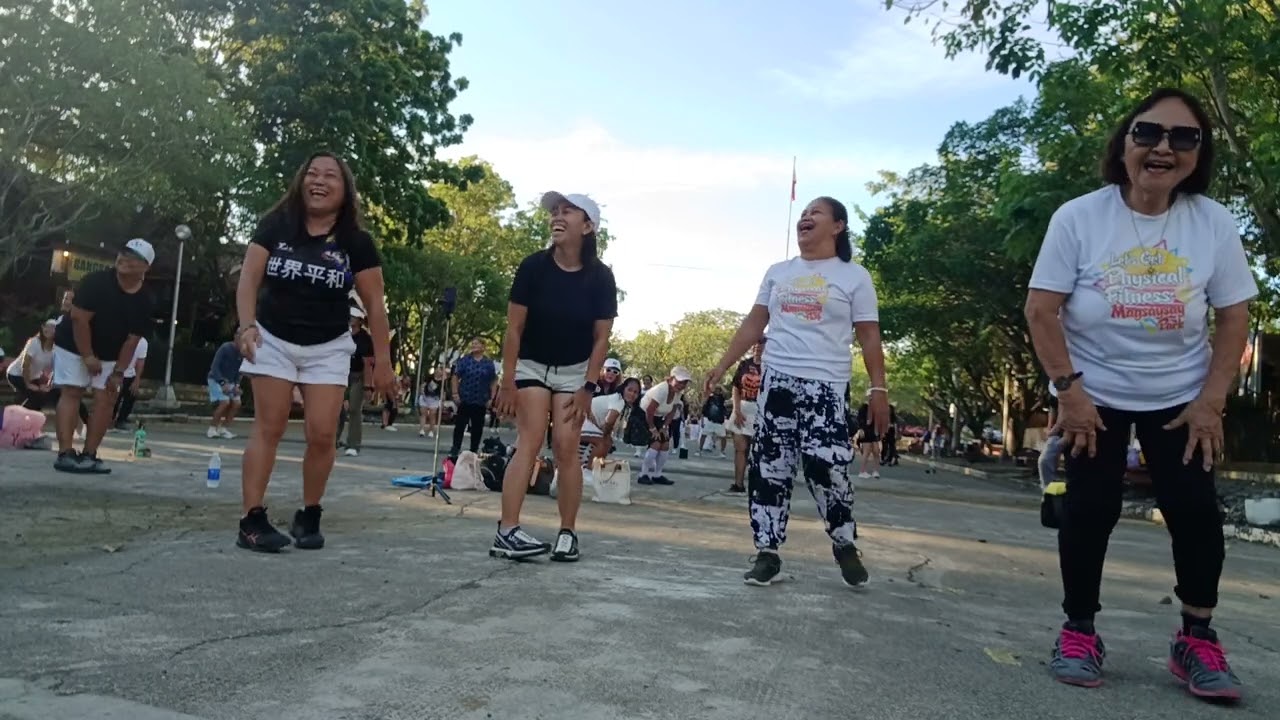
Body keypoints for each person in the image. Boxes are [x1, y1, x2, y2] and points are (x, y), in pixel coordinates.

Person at [1024, 88, 1254, 700]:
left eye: (1183, 138)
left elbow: (1234, 316)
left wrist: (1212, 400)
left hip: (1181, 395)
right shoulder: (1078, 217)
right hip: (1093, 393)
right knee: (1089, 510)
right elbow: (1042, 310)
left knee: (1196, 512)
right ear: (1124, 144)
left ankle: (1197, 640)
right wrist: (1068, 393)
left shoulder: (1213, 223)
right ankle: (1079, 631)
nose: (1163, 148)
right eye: (1148, 133)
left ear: (1197, 154)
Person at [708, 196, 888, 588]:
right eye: (803, 213)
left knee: (825, 466)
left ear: (837, 226)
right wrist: (723, 364)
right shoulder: (778, 272)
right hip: (778, 382)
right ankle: (767, 553)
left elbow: (870, 336)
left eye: (815, 212)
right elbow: (754, 323)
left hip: (826, 385)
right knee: (769, 469)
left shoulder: (854, 276)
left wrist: (878, 389)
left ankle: (844, 542)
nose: (805, 217)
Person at [234, 151, 395, 553]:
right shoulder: (276, 225)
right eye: (312, 173)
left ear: (345, 191)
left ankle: (310, 512)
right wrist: (246, 325)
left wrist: (385, 362)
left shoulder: (355, 241)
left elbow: (375, 304)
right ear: (301, 181)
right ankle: (252, 520)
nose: (319, 181)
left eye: (330, 176)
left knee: (322, 433)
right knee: (268, 427)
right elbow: (249, 278)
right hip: (272, 338)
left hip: (328, 346)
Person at [492, 191, 617, 562]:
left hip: (575, 371)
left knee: (566, 444)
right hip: (531, 364)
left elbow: (601, 338)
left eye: (568, 211)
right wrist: (507, 380)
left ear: (588, 226)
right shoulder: (533, 267)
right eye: (555, 212)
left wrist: (588, 388)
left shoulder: (601, 277)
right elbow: (514, 329)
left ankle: (568, 533)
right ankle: (507, 531)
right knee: (528, 440)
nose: (557, 217)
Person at [51, 239, 156, 473]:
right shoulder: (95, 282)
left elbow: (132, 340)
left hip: (111, 352)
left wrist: (118, 372)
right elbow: (79, 320)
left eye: (134, 257)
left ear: (145, 268)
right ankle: (65, 453)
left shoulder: (145, 300)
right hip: (73, 343)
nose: (125, 259)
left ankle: (90, 454)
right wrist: (87, 357)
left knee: (107, 397)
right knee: (72, 391)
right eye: (124, 253)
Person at [634, 367, 692, 485]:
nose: (681, 385)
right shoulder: (661, 390)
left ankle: (657, 474)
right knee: (655, 442)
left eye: (684, 383)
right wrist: (653, 429)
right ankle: (643, 474)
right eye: (679, 381)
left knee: (665, 443)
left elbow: (672, 411)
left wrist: (664, 427)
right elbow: (650, 410)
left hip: (659, 417)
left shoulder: (678, 393)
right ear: (671, 379)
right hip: (643, 416)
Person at [725, 339, 764, 492]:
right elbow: (736, 387)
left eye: (761, 345)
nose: (758, 348)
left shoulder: (771, 366)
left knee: (758, 451)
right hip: (743, 406)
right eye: (755, 344)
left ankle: (758, 484)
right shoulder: (744, 365)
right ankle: (738, 483)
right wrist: (737, 409)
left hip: (760, 409)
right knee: (740, 448)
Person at [450, 338, 498, 458]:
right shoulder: (465, 360)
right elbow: (455, 376)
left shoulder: (488, 363)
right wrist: (455, 393)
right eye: (472, 344)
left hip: (481, 399)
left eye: (477, 344)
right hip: (465, 397)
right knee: (460, 425)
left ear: (483, 347)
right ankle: (455, 448)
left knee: (477, 426)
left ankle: (473, 449)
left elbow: (493, 380)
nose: (474, 346)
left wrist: (492, 398)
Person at [580, 377, 642, 465]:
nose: (632, 394)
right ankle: (590, 470)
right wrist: (606, 436)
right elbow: (609, 422)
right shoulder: (618, 400)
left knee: (607, 442)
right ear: (623, 388)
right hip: (581, 422)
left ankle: (590, 466)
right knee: (603, 443)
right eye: (629, 390)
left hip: (586, 424)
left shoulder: (621, 402)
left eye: (636, 392)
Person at [338, 307, 374, 456]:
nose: (351, 318)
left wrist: (368, 386)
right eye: (350, 315)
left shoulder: (364, 338)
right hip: (341, 374)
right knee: (337, 409)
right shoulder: (343, 335)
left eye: (354, 316)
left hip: (358, 376)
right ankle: (332, 440)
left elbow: (368, 363)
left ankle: (353, 444)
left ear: (360, 320)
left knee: (353, 409)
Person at [7, 320, 57, 410]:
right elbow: (25, 364)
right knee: (36, 398)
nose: (48, 329)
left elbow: (56, 369)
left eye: (52, 327)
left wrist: (48, 385)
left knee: (41, 400)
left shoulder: (56, 349)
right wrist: (28, 384)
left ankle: (29, 421)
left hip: (33, 377)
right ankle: (16, 418)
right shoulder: (34, 342)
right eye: (46, 326)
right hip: (16, 374)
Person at [207, 331, 244, 439]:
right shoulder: (225, 348)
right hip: (215, 379)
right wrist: (222, 383)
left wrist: (237, 385)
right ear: (236, 337)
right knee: (225, 402)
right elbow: (214, 367)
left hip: (231, 381)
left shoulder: (242, 353)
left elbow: (239, 371)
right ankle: (212, 429)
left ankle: (223, 429)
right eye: (241, 338)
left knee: (237, 403)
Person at [111, 336, 148, 430]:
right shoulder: (120, 335)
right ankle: (109, 419)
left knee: (131, 395)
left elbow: (140, 361)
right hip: (114, 371)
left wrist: (137, 379)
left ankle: (121, 420)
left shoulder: (143, 342)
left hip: (130, 374)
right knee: (114, 397)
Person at [1038, 398, 1063, 489]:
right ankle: (1048, 492)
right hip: (1058, 432)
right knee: (1045, 461)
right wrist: (1050, 428)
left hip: (1079, 429)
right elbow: (1053, 407)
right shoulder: (1054, 390)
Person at [854, 393, 881, 479]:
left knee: (876, 451)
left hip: (874, 431)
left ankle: (876, 471)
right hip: (866, 430)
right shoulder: (864, 408)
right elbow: (859, 419)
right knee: (867, 451)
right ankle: (862, 471)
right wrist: (860, 428)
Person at [700, 386, 729, 460]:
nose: (717, 391)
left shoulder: (722, 398)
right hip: (710, 420)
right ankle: (699, 450)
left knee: (723, 437)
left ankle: (722, 452)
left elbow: (726, 393)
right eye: (716, 390)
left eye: (719, 390)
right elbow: (705, 396)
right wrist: (712, 388)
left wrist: (720, 386)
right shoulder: (710, 398)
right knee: (703, 435)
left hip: (719, 421)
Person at [418, 369, 445, 438]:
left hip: (434, 399)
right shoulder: (429, 377)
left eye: (440, 372)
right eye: (437, 372)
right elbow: (423, 385)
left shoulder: (443, 381)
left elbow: (443, 391)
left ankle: (431, 431)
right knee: (423, 413)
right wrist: (421, 391)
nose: (438, 373)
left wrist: (442, 401)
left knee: (432, 415)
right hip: (425, 397)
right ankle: (422, 430)